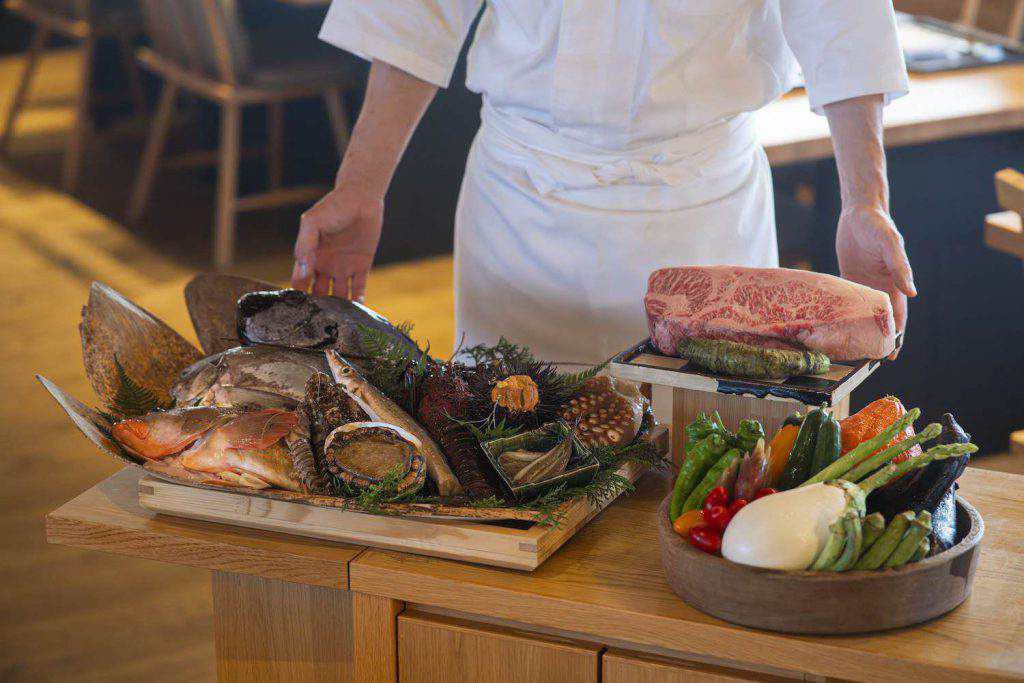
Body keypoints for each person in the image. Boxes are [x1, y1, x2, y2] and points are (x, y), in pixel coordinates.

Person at [292, 1, 916, 364]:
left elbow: (846, 23)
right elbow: (412, 15)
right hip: (522, 204)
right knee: (505, 451)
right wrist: (360, 185)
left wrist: (866, 200)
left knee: (703, 467)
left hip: (703, 206)